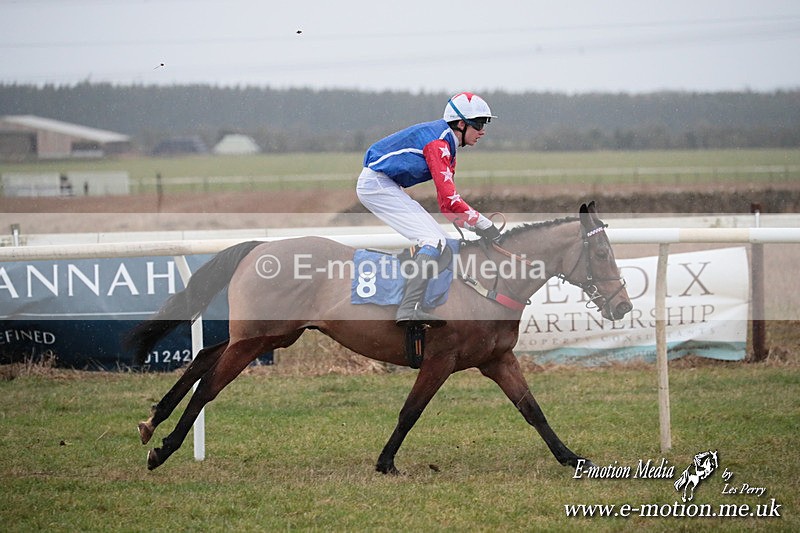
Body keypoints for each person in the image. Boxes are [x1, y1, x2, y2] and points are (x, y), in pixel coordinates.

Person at [357, 92, 501, 329]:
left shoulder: (448, 146)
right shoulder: (439, 144)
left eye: (484, 124)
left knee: (444, 241)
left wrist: (470, 225)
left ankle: (423, 303)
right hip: (376, 184)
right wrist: (484, 224)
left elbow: (446, 205)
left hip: (386, 183)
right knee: (432, 241)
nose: (483, 131)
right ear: (461, 124)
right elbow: (450, 198)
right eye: (478, 124)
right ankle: (408, 308)